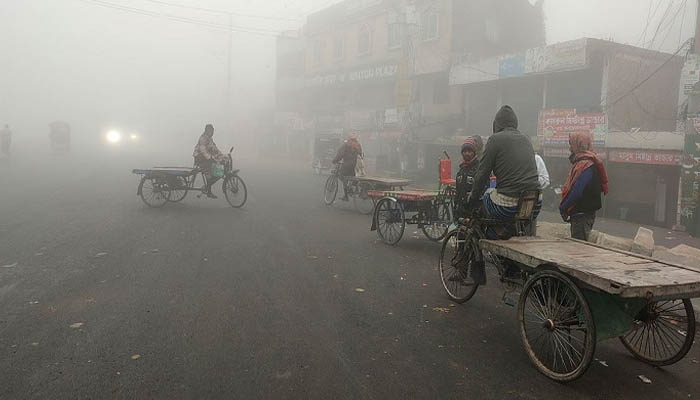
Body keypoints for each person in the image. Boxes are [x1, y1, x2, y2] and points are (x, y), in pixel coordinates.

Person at [464, 106, 540, 284]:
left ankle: (477, 273)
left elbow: (482, 175)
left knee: (483, 205)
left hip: (508, 204)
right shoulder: (526, 140)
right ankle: (511, 263)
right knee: (509, 224)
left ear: (496, 125)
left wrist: (472, 199)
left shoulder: (494, 140)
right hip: (534, 203)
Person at [560, 132, 609, 241]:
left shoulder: (585, 166)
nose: (570, 149)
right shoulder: (590, 162)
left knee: (578, 248)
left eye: (572, 145)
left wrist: (563, 207)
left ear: (579, 145)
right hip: (585, 213)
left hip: (581, 215)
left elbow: (577, 192)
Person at [193, 124, 224, 198]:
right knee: (209, 172)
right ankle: (209, 191)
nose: (212, 132)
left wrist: (222, 155)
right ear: (207, 131)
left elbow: (214, 149)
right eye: (211, 131)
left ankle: (207, 187)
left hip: (206, 158)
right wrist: (209, 158)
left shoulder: (210, 139)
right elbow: (203, 150)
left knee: (216, 172)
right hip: (200, 158)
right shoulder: (203, 138)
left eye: (213, 131)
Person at [453, 137, 480, 220]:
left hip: (474, 211)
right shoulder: (461, 170)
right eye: (464, 151)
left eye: (469, 151)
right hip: (461, 211)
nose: (467, 153)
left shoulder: (480, 169)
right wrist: (456, 207)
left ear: (474, 153)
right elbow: (458, 191)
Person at [332, 134, 363, 201]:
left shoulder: (346, 145)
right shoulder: (358, 145)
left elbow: (340, 155)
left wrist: (334, 161)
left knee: (342, 176)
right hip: (356, 166)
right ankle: (352, 186)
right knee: (353, 177)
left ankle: (346, 195)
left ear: (349, 139)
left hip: (347, 165)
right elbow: (361, 154)